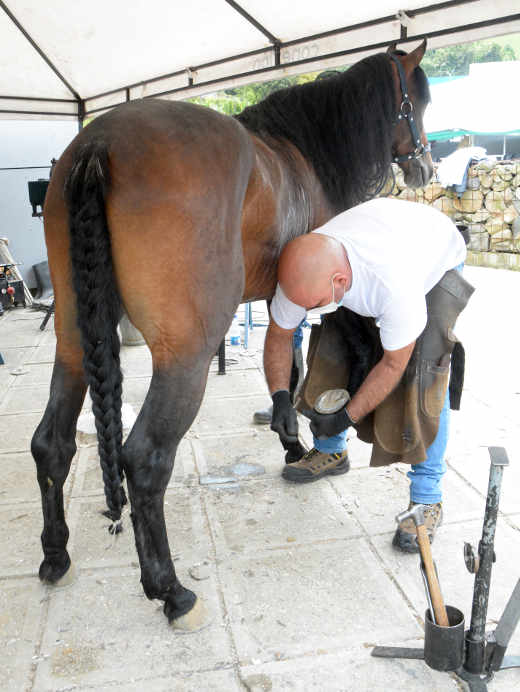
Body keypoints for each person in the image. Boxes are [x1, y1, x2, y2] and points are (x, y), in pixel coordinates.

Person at [263, 197, 470, 552]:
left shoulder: (394, 287)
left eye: (312, 303)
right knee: (335, 349)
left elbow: (393, 364)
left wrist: (345, 417)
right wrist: (280, 396)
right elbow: (280, 333)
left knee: (423, 379)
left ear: (340, 280)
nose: (305, 309)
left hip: (436, 259)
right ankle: (331, 452)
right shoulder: (303, 269)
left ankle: (426, 498)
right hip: (375, 248)